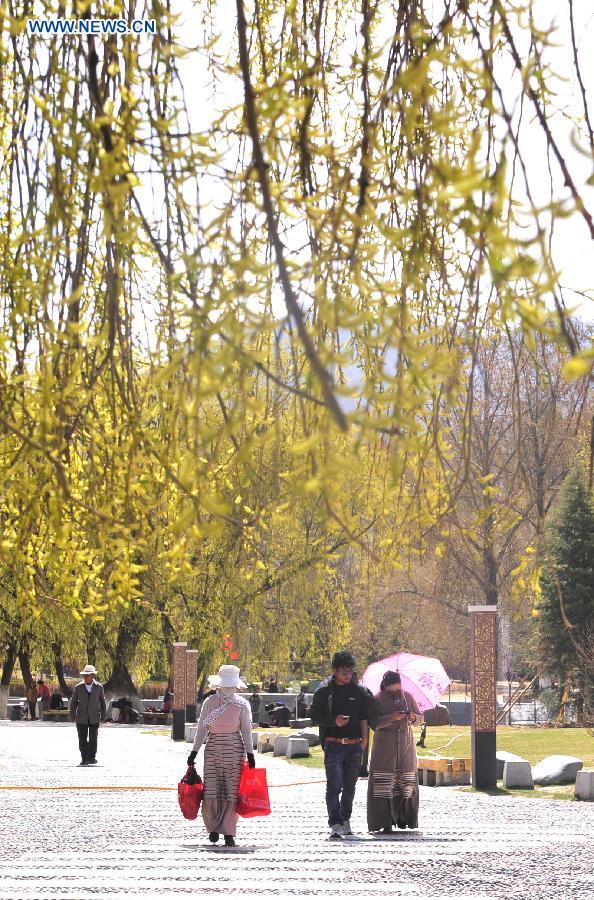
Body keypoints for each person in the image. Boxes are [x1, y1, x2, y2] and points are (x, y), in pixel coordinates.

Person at [186, 665, 254, 848]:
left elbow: (246, 731)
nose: (229, 689)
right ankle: (213, 827)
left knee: (231, 791)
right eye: (226, 685)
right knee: (212, 789)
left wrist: (250, 753)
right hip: (213, 748)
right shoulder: (209, 702)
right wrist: (194, 751)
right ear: (220, 684)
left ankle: (229, 832)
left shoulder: (242, 704)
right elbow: (202, 728)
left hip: (235, 749)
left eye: (232, 685)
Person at [310, 650, 369, 839]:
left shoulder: (358, 691)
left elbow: (364, 717)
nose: (348, 676)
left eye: (351, 672)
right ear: (334, 670)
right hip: (333, 744)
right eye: (344, 673)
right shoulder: (324, 691)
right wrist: (333, 721)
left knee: (350, 787)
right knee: (334, 786)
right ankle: (335, 823)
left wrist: (364, 742)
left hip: (355, 745)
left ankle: (345, 819)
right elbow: (314, 716)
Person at [367, 671, 422, 833]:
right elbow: (374, 723)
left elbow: (420, 718)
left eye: (398, 689)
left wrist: (413, 717)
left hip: (405, 747)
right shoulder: (377, 699)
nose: (395, 692)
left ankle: (404, 819)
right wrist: (391, 718)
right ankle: (385, 822)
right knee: (384, 785)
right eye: (391, 690)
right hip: (384, 750)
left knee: (406, 783)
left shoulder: (408, 697)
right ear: (385, 687)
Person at [69, 664, 107, 766]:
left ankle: (92, 758)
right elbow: (73, 702)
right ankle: (84, 758)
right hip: (81, 717)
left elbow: (102, 702)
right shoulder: (78, 687)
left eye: (87, 675)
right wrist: (72, 714)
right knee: (82, 739)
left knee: (93, 739)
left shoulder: (99, 687)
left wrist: (103, 716)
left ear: (93, 676)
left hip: (94, 717)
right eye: (84, 675)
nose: (85, 677)